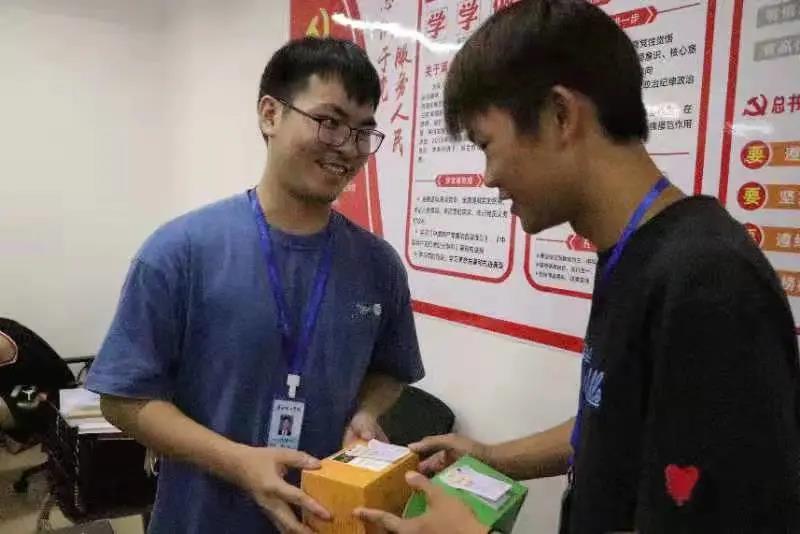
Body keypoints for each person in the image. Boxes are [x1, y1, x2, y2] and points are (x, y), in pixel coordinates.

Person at [356, 1, 800, 533]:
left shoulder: (709, 282)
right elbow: (615, 418)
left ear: (560, 115)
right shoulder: (633, 253)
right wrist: (492, 456)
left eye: (487, 145)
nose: (488, 177)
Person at [86, 37, 424, 534]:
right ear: (270, 115)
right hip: (200, 520)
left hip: (327, 521)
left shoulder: (378, 265)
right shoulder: (180, 251)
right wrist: (237, 462)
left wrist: (365, 412)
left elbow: (391, 370)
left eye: (362, 132)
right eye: (329, 122)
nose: (348, 147)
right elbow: (123, 398)